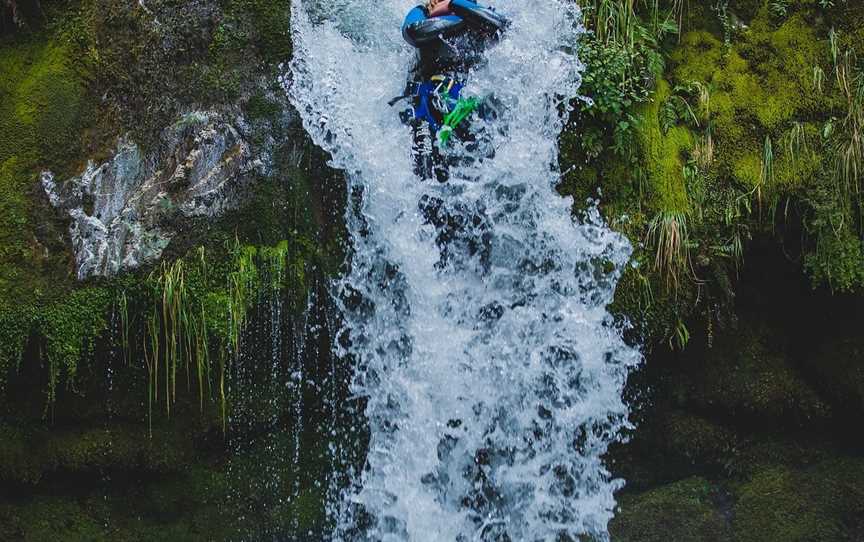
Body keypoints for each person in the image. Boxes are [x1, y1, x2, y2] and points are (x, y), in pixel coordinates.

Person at [394, 0, 509, 183]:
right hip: (426, 109)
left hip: (467, 106)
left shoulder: (475, 10)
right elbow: (415, 31)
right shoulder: (421, 12)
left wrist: (454, 5)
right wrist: (463, 19)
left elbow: (501, 28)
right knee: (425, 177)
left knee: (478, 170)